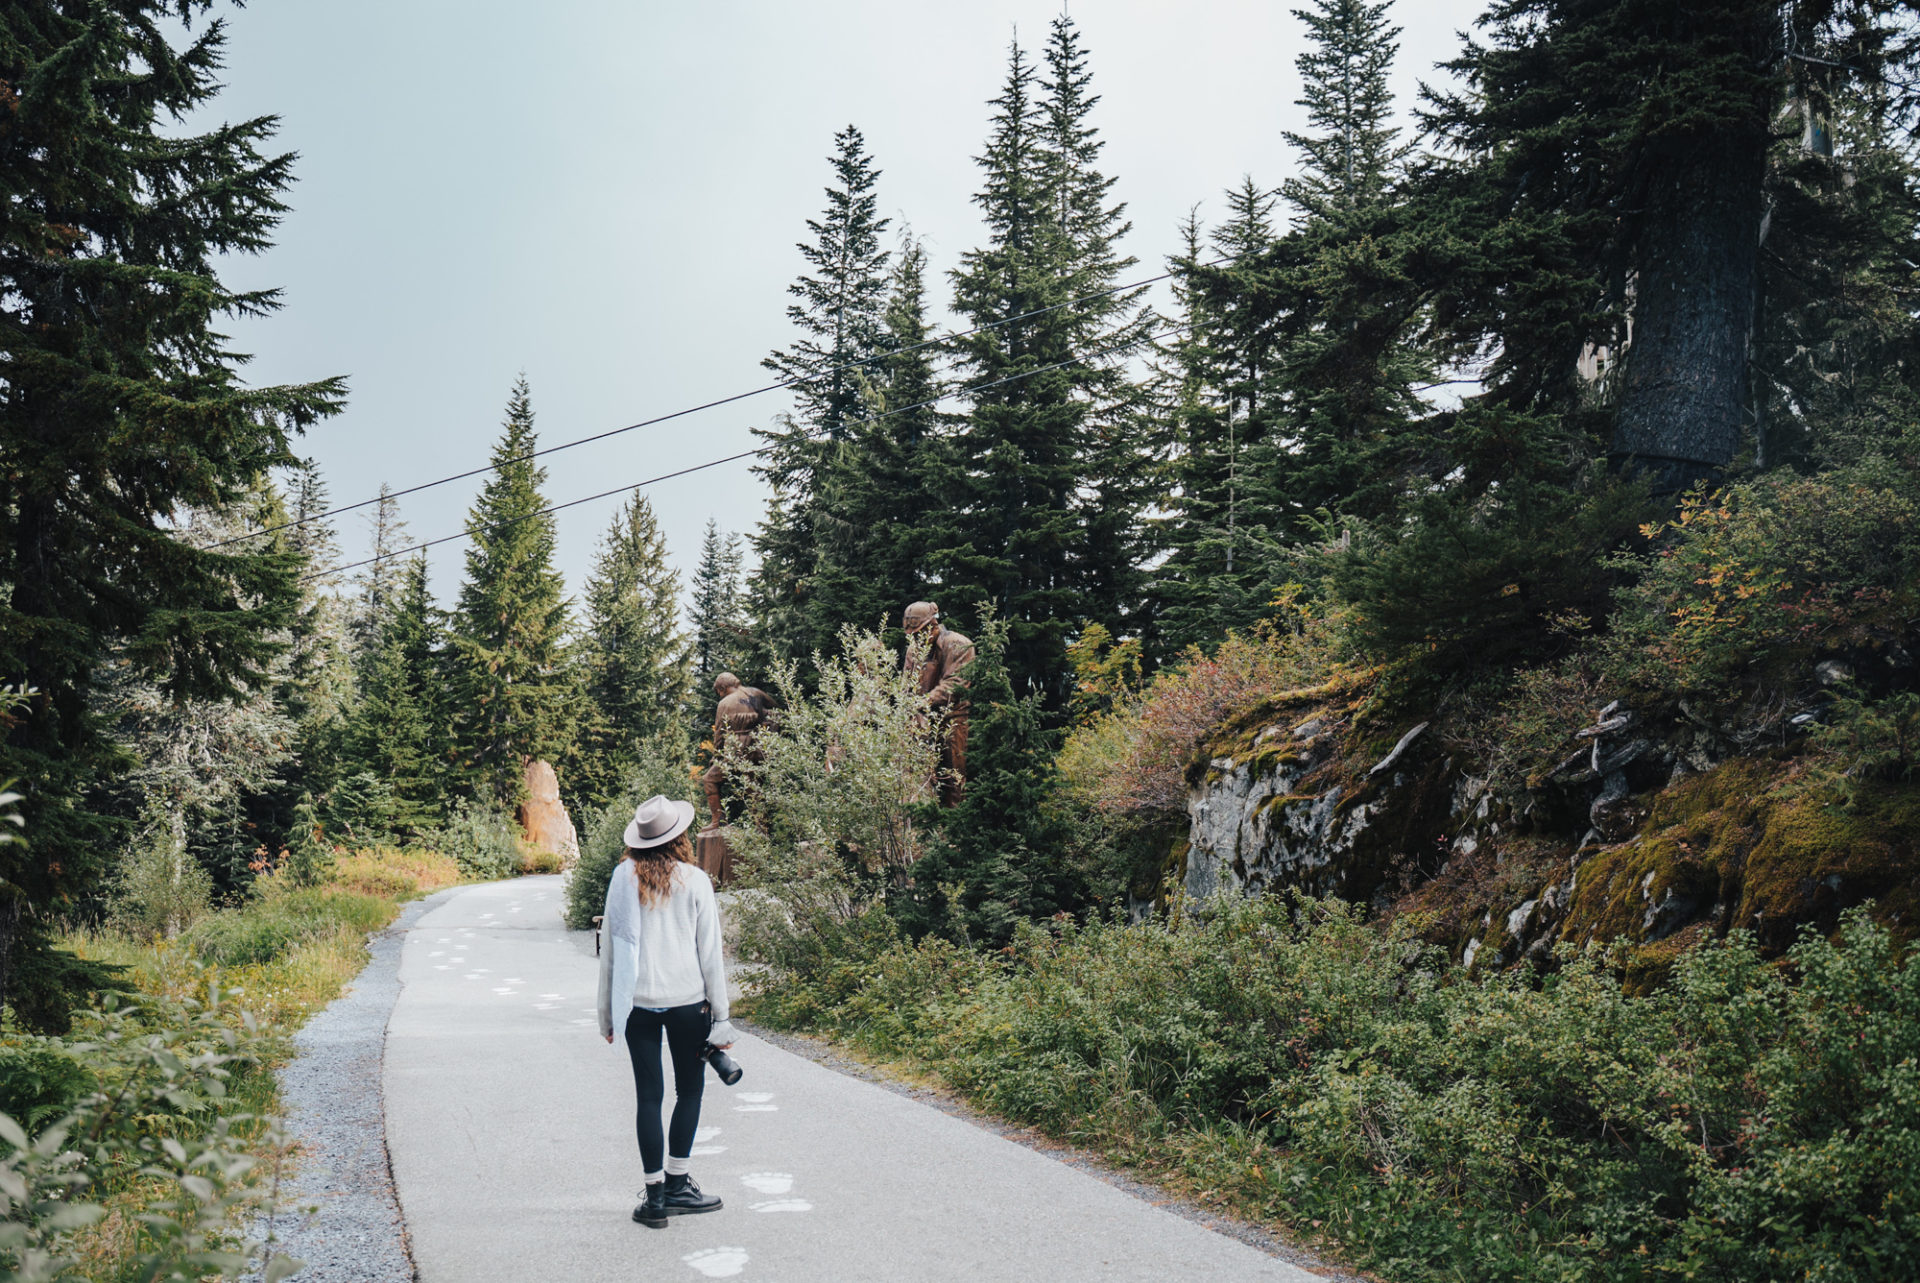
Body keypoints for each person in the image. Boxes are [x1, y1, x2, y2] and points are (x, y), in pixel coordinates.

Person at [597, 794, 735, 1228]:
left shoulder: (622, 878)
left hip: (637, 1006)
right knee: (689, 1092)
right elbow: (711, 955)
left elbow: (611, 956)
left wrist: (606, 1014)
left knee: (649, 1097)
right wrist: (723, 1017)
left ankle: (655, 1198)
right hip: (687, 1005)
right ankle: (678, 1184)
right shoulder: (695, 881)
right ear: (680, 837)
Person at [904, 601, 975, 807]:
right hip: (923, 720)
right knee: (921, 777)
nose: (916, 638)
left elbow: (955, 684)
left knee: (954, 778)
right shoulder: (913, 650)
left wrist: (924, 701)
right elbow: (906, 685)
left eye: (919, 632)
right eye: (913, 634)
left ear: (933, 625)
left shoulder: (958, 644)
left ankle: (955, 827)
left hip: (953, 720)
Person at [700, 672, 775, 831]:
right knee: (753, 789)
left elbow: (720, 734)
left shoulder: (725, 703)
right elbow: (778, 712)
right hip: (758, 748)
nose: (719, 695)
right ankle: (763, 829)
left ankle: (718, 821)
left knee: (709, 780)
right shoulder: (756, 693)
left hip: (736, 750)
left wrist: (717, 756)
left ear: (723, 687)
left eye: (719, 691)